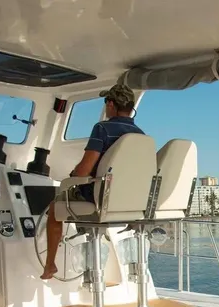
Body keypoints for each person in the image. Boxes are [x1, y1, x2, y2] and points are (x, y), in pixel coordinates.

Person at [41, 84, 144, 279]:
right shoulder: (140, 135)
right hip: (128, 205)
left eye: (106, 103)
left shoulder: (102, 128)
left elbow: (84, 171)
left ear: (111, 104)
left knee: (55, 209)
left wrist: (71, 177)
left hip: (99, 200)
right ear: (131, 108)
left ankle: (50, 265)